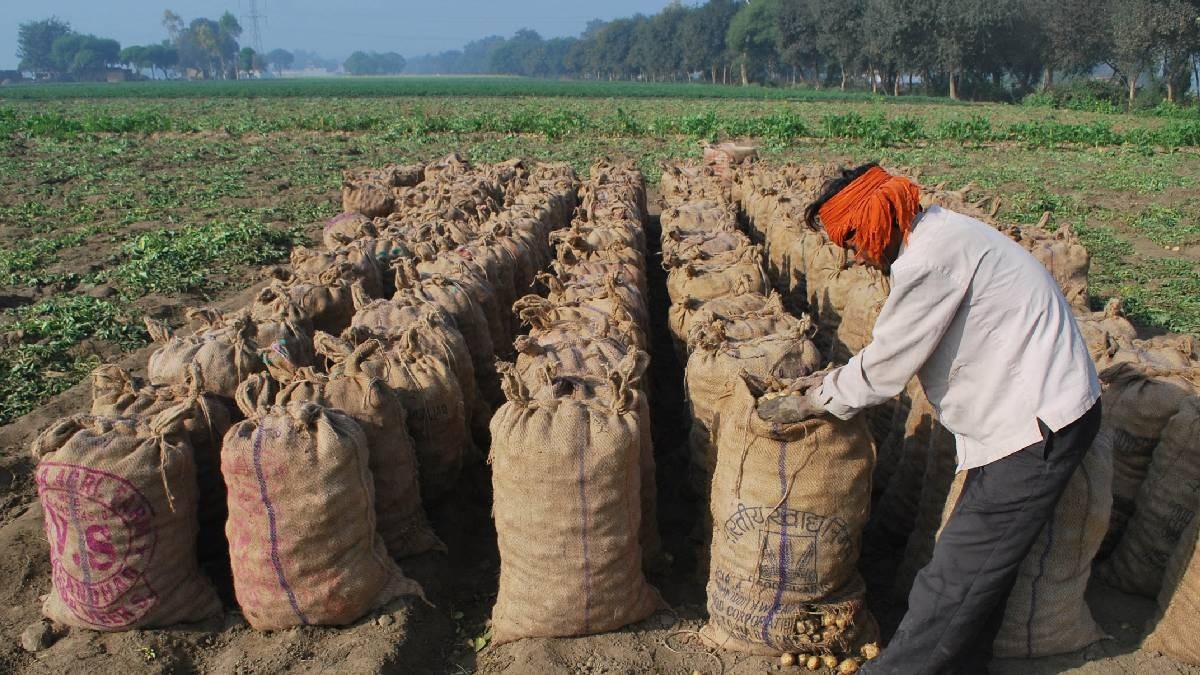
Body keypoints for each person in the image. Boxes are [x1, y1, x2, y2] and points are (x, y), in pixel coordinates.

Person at [795, 163, 1101, 674]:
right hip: (1019, 417)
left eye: (852, 239)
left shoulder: (930, 259)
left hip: (1036, 425)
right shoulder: (938, 235)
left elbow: (887, 366)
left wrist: (817, 399)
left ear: (878, 219)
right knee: (980, 567)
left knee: (955, 575)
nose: (853, 256)